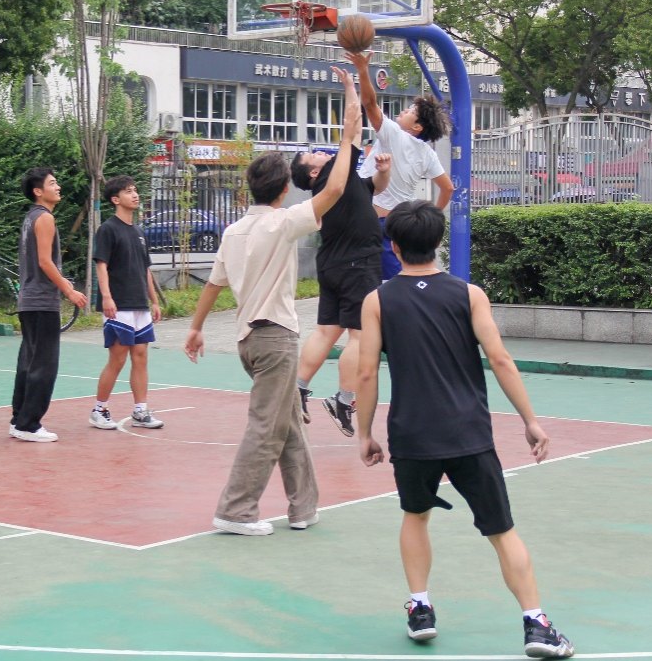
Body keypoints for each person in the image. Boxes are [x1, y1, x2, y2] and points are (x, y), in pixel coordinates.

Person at [354, 200, 574, 658]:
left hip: (411, 433)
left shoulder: (377, 301)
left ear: (394, 247)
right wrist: (530, 421)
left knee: (415, 515)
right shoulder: (469, 294)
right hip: (468, 432)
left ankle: (420, 610)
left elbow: (367, 372)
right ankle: (536, 625)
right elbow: (500, 359)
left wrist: (364, 433)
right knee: (502, 530)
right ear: (439, 243)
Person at [183, 67, 361, 536]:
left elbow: (212, 286)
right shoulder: (283, 223)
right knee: (266, 426)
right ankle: (235, 510)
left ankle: (304, 508)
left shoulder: (233, 231)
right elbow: (336, 188)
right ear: (285, 190)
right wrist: (347, 138)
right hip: (275, 340)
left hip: (247, 341)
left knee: (287, 423)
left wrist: (196, 328)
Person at [288, 107, 392, 437]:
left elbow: (374, 187)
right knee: (359, 335)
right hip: (357, 263)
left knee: (326, 332)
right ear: (315, 172)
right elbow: (352, 130)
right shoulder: (334, 172)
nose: (321, 152)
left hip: (334, 264)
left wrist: (384, 171)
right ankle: (344, 400)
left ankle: (297, 389)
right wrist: (351, 87)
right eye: (314, 156)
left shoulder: (342, 182)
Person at [345, 49, 455, 281]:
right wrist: (432, 219)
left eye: (411, 111)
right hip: (400, 222)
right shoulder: (427, 152)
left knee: (382, 284)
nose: (405, 110)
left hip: (378, 222)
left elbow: (369, 103)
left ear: (417, 127)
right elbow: (448, 188)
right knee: (401, 281)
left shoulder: (395, 134)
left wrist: (363, 71)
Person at [11, 167, 89, 443]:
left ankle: (19, 420)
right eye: (52, 183)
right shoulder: (44, 218)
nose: (58, 187)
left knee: (28, 363)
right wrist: (69, 290)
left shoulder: (30, 218)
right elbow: (45, 262)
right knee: (44, 365)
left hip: (29, 301)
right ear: (38, 191)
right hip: (41, 302)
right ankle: (29, 424)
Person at [89, 175, 164, 430]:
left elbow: (145, 269)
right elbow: (101, 266)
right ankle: (99, 410)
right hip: (118, 305)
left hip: (140, 305)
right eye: (128, 191)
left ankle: (140, 411)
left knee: (141, 357)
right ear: (115, 199)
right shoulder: (108, 229)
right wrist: (106, 297)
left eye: (135, 190)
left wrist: (154, 301)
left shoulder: (139, 231)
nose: (135, 195)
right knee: (118, 358)